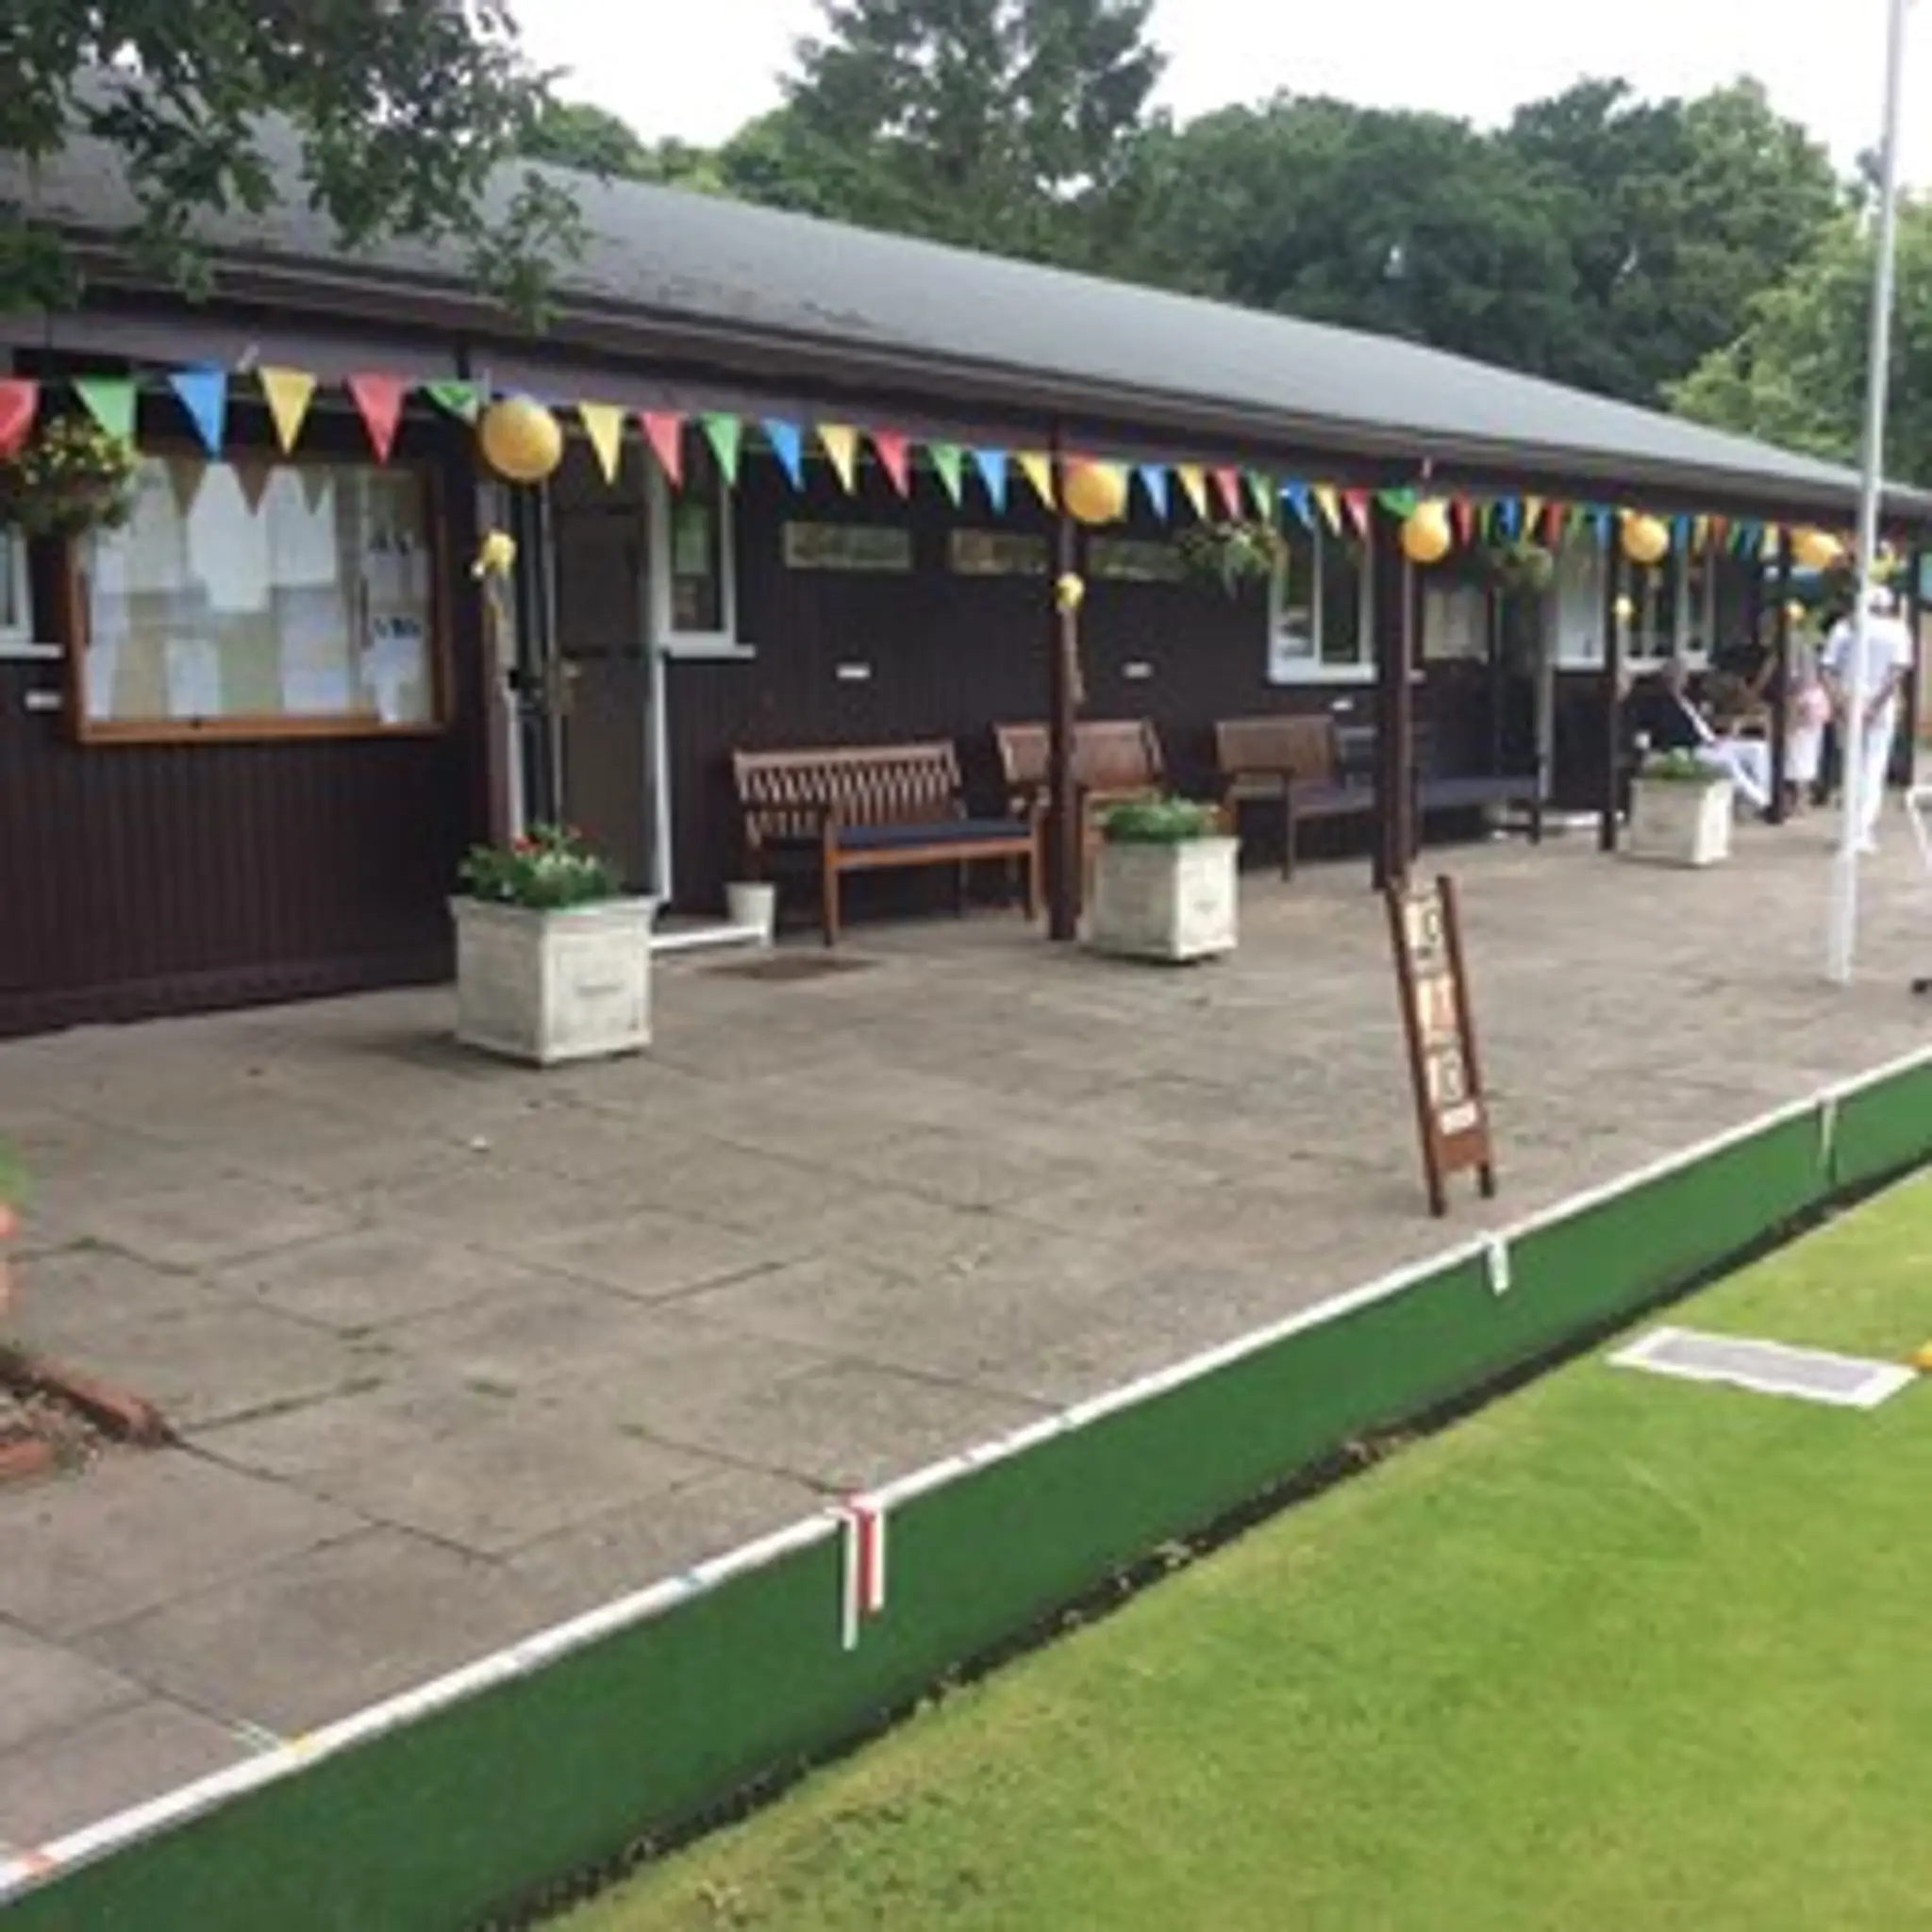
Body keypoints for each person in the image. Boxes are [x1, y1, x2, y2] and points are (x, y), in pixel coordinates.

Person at [1822, 584, 1912, 855]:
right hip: (1878, 705)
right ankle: (1862, 830)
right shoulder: (1897, 630)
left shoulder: (1843, 628)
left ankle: (1848, 828)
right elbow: (1896, 673)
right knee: (1873, 766)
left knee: (1852, 766)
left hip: (1847, 699)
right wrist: (1874, 706)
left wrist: (1842, 704)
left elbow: (1826, 670)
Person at [1624, 654, 1774, 813]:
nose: (1680, 680)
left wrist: (1723, 732)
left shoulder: (1688, 699)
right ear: (1664, 678)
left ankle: (1766, 793)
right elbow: (1660, 734)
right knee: (1728, 763)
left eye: (1682, 675)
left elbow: (1704, 722)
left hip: (1711, 741)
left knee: (1758, 749)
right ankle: (1764, 803)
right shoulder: (1657, 703)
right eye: (1675, 676)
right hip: (1692, 749)